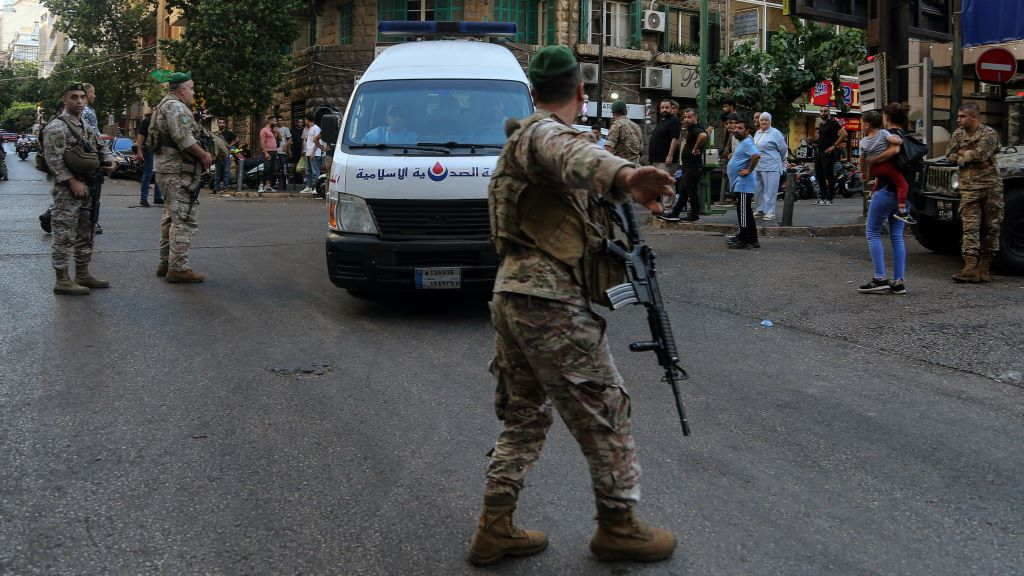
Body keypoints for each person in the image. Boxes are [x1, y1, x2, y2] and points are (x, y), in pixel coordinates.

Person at [470, 45, 677, 567]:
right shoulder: (541, 133)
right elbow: (569, 149)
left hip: (515, 293)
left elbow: (576, 181)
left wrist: (623, 196)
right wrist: (627, 176)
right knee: (604, 407)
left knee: (524, 415)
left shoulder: (525, 146)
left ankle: (495, 527)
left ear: (534, 90)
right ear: (580, 94)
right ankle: (619, 526)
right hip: (547, 299)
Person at [42, 82, 115, 295]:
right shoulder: (57, 126)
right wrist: (72, 181)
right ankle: (62, 279)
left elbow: (100, 145)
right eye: (74, 97)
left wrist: (109, 160)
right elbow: (53, 159)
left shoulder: (85, 124)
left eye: (82, 97)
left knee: (86, 231)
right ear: (64, 99)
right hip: (68, 190)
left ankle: (83, 273)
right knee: (64, 233)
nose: (80, 101)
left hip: (89, 186)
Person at [148, 70, 213, 284]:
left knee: (170, 217)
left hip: (166, 169)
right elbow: (183, 138)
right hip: (177, 170)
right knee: (183, 218)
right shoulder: (176, 107)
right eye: (192, 88)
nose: (193, 93)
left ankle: (166, 262)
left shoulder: (163, 105)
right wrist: (204, 155)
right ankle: (178, 267)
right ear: (181, 89)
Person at [946, 102, 1003, 283]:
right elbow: (949, 154)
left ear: (973, 117)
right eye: (959, 116)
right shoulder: (958, 134)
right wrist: (964, 155)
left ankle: (985, 267)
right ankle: (970, 267)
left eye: (962, 116)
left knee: (991, 227)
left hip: (990, 187)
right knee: (970, 227)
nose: (959, 120)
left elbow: (981, 155)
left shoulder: (989, 134)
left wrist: (965, 155)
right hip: (968, 188)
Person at [859, 110, 913, 224]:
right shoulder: (883, 133)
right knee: (903, 184)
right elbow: (895, 143)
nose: (861, 126)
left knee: (878, 182)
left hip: (874, 169)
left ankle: (872, 195)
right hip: (886, 166)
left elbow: (863, 160)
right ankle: (902, 210)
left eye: (862, 124)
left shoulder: (863, 142)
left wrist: (865, 174)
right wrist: (899, 140)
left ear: (867, 125)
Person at [662, 108, 707, 222]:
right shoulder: (691, 129)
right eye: (685, 117)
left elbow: (703, 136)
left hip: (693, 166)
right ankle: (676, 213)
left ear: (695, 117)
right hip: (688, 166)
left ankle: (693, 214)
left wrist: (696, 147)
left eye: (689, 117)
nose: (686, 119)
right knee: (684, 191)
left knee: (690, 191)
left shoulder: (696, 129)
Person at [727, 114, 761, 249]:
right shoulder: (744, 142)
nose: (736, 130)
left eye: (740, 128)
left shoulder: (747, 142)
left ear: (747, 131)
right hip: (740, 184)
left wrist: (748, 170)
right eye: (735, 128)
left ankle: (744, 240)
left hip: (744, 185)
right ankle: (751, 239)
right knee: (745, 213)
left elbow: (756, 156)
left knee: (743, 214)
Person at [81, 83, 107, 234]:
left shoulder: (75, 111)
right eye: (93, 93)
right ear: (86, 94)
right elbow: (95, 136)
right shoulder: (89, 112)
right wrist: (104, 156)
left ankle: (49, 214)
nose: (94, 96)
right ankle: (93, 222)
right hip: (90, 157)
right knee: (94, 192)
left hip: (79, 156)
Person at [752, 112, 787, 221]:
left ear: (770, 121)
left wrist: (780, 160)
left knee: (770, 190)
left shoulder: (775, 133)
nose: (764, 122)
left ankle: (770, 212)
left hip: (772, 165)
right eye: (762, 120)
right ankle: (760, 209)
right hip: (758, 165)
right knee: (758, 190)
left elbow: (783, 149)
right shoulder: (757, 132)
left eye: (766, 120)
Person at [815, 107, 846, 206]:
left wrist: (833, 146)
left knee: (828, 175)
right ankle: (823, 196)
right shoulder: (820, 124)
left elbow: (844, 134)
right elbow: (817, 137)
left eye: (825, 111)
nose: (823, 113)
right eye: (821, 111)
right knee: (819, 175)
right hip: (819, 152)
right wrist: (816, 128)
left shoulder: (833, 123)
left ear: (829, 112)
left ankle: (830, 197)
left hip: (828, 152)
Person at [135, 112, 163, 206]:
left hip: (158, 149)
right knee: (148, 173)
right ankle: (143, 199)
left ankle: (158, 197)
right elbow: (141, 136)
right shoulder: (147, 121)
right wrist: (139, 150)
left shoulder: (162, 121)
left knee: (159, 172)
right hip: (149, 148)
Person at [648, 99, 680, 168]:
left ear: (671, 108)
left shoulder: (674, 120)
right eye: (662, 108)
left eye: (667, 107)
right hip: (656, 160)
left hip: (664, 161)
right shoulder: (663, 120)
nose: (664, 110)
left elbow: (674, 139)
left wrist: (670, 156)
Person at [300, 113, 325, 195]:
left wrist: (313, 152)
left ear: (308, 119)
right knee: (309, 171)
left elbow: (317, 141)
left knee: (315, 171)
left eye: (305, 120)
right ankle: (309, 187)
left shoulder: (316, 128)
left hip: (314, 153)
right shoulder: (310, 128)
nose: (304, 121)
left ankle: (316, 187)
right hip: (308, 153)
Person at [214, 118, 236, 192]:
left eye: (222, 123)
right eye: (219, 123)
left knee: (226, 172)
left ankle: (225, 188)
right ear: (218, 124)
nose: (221, 124)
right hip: (218, 156)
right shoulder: (216, 134)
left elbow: (237, 139)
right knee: (217, 172)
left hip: (226, 155)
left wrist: (230, 145)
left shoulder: (229, 133)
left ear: (225, 124)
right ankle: (216, 188)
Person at [258, 118, 278, 193]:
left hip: (274, 151)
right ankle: (261, 185)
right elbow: (262, 142)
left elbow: (275, 140)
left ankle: (268, 186)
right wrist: (265, 152)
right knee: (266, 169)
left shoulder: (272, 130)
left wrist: (276, 132)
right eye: (274, 121)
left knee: (272, 170)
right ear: (270, 121)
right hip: (268, 151)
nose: (276, 122)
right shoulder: (264, 130)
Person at [274, 117, 292, 191]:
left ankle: (284, 184)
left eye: (281, 120)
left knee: (284, 168)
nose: (280, 122)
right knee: (276, 168)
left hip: (283, 151)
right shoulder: (275, 129)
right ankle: (277, 183)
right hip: (276, 150)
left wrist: (286, 146)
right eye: (279, 121)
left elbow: (290, 139)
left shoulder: (286, 129)